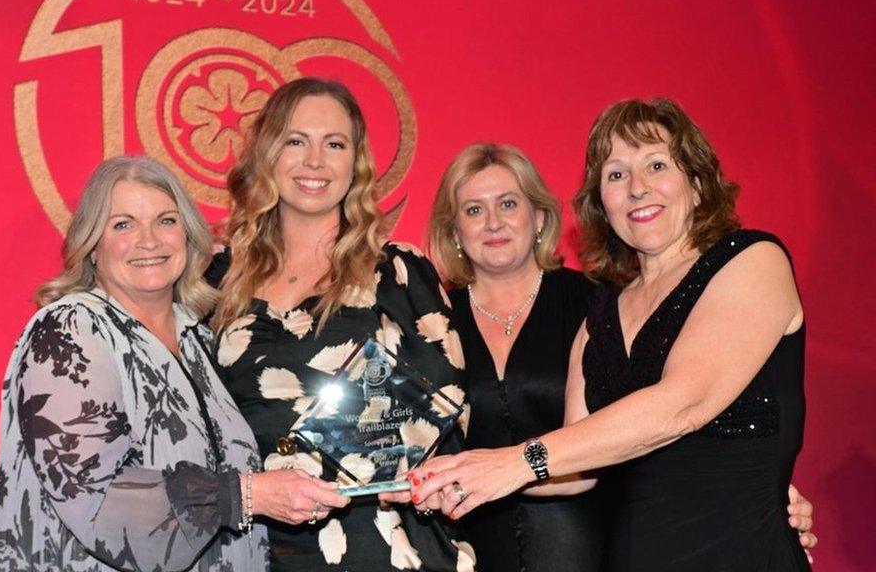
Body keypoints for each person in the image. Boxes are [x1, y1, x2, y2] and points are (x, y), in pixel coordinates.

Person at [413, 100, 815, 571]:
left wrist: (516, 462)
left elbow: (684, 404)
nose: (638, 188)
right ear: (601, 202)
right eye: (617, 175)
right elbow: (580, 472)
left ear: (698, 181)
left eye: (657, 165)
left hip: (740, 555)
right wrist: (459, 480)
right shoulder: (599, 317)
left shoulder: (750, 261)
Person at [0, 156, 345, 572]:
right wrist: (245, 495)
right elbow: (93, 494)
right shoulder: (71, 328)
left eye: (166, 221)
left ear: (188, 236)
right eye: (123, 224)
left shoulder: (201, 342)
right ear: (93, 245)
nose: (149, 240)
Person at [208, 78, 471, 572]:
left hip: (381, 544)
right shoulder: (215, 278)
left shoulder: (398, 270)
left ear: (356, 163)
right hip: (250, 548)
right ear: (267, 154)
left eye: (334, 144)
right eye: (295, 141)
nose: (314, 161)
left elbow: (447, 411)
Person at [426, 142, 605, 571]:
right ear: (454, 233)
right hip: (470, 554)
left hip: (587, 548)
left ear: (539, 217)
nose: (493, 223)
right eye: (473, 210)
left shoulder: (594, 304)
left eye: (508, 203)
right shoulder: (432, 323)